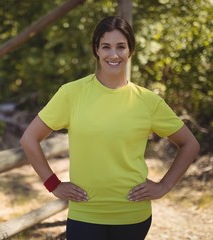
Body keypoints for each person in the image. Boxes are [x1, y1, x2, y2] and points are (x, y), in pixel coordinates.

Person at [20, 16, 200, 240]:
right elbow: (29, 139)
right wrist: (53, 184)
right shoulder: (71, 93)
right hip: (85, 212)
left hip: (132, 215)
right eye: (106, 46)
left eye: (121, 47)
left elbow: (190, 144)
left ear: (130, 50)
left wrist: (164, 186)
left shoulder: (147, 101)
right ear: (96, 50)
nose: (113, 54)